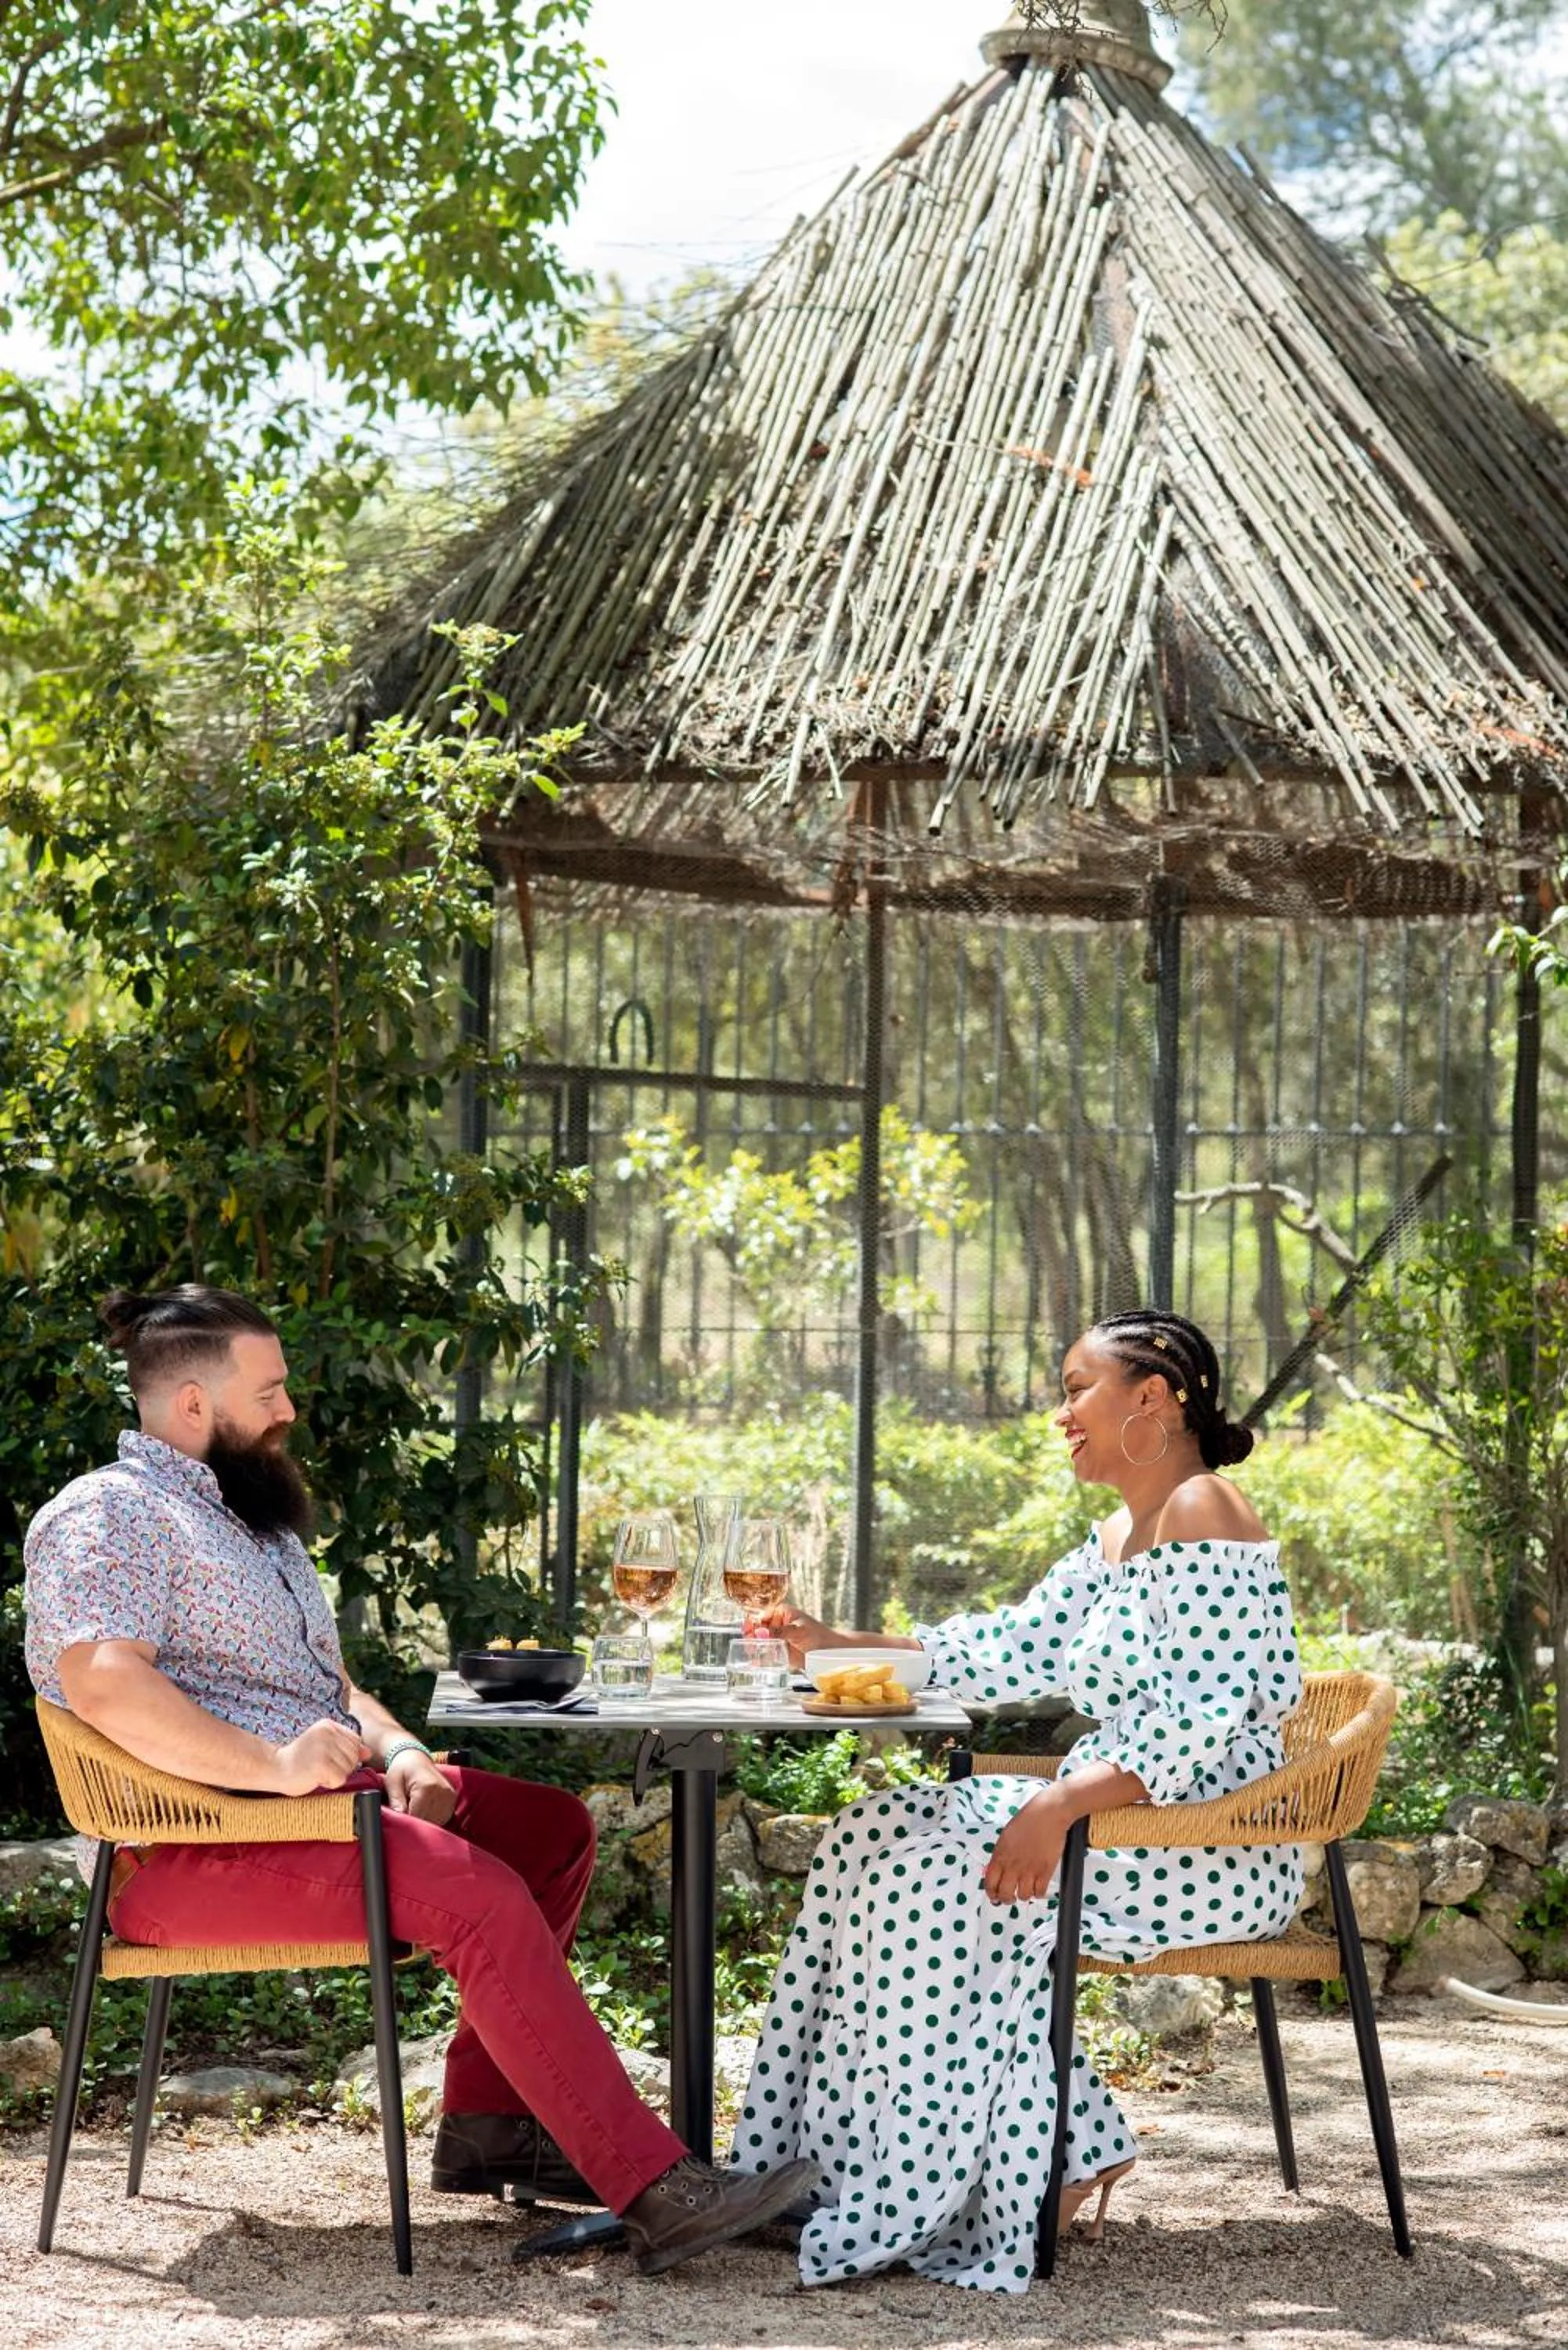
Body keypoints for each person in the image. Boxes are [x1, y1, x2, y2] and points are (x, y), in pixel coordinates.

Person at [23, 1285, 813, 2274]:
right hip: (195, 1853)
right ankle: (655, 2189)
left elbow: (331, 1685)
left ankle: (489, 2127)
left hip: (320, 1814)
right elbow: (102, 1679)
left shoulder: (246, 1524)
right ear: (192, 1406)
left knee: (548, 1831)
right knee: (474, 1894)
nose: (288, 1410)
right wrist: (272, 1766)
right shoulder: (111, 1515)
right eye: (268, 1392)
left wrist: (397, 1751)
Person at [742, 1308, 1304, 2295]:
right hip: (1116, 1816)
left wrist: (1055, 1808)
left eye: (1076, 1388)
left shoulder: (1206, 1510)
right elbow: (1005, 1651)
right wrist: (833, 1643)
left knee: (932, 1884)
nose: (1061, 1415)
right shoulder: (1120, 1533)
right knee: (869, 1837)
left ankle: (921, 2187)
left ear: (1153, 1397)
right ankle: (898, 2164)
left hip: (1201, 1842)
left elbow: (1204, 1716)